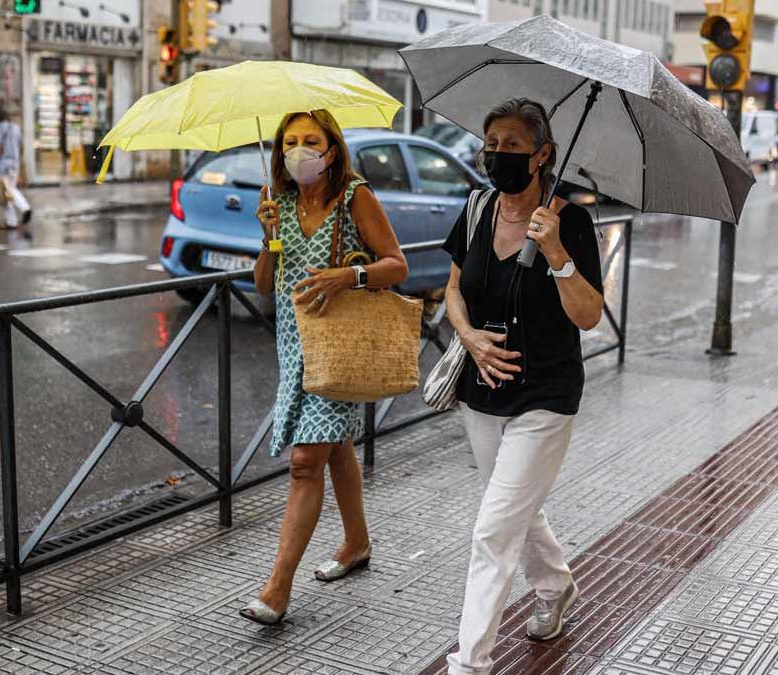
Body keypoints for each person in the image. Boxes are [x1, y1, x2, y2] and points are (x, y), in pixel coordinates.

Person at [442, 99, 605, 674]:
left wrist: (557, 251)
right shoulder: (477, 208)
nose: (498, 155)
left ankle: (471, 660)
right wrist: (470, 339)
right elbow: (453, 292)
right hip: (482, 389)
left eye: (513, 145)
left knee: (493, 529)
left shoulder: (573, 221)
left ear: (542, 155)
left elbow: (589, 316)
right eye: (492, 143)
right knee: (513, 508)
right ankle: (557, 586)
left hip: (547, 394)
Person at [239, 110, 409, 625]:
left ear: (331, 150)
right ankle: (356, 543)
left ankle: (276, 590)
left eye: (310, 141)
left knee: (305, 460)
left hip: (338, 342)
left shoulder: (353, 195)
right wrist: (267, 235)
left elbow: (395, 263)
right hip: (294, 344)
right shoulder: (280, 203)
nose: (299, 151)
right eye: (289, 142)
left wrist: (347, 276)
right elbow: (265, 285)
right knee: (335, 448)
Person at [0, 107, 31, 228]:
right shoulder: (16, 128)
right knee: (7, 191)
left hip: (3, 164)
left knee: (6, 191)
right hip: (14, 163)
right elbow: (21, 147)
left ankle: (25, 208)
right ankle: (11, 221)